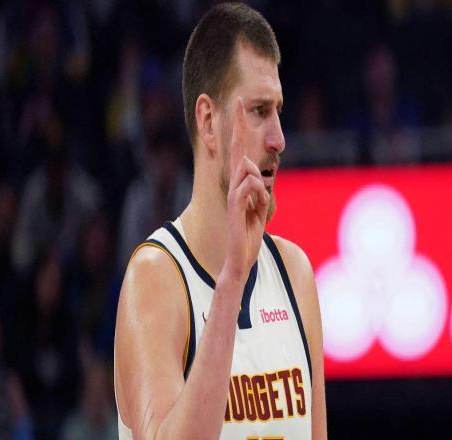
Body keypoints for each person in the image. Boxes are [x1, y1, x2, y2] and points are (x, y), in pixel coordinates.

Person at [114, 3, 327, 439]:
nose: (279, 139)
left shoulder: (295, 274)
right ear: (209, 122)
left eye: (279, 110)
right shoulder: (154, 279)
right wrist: (231, 282)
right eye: (259, 110)